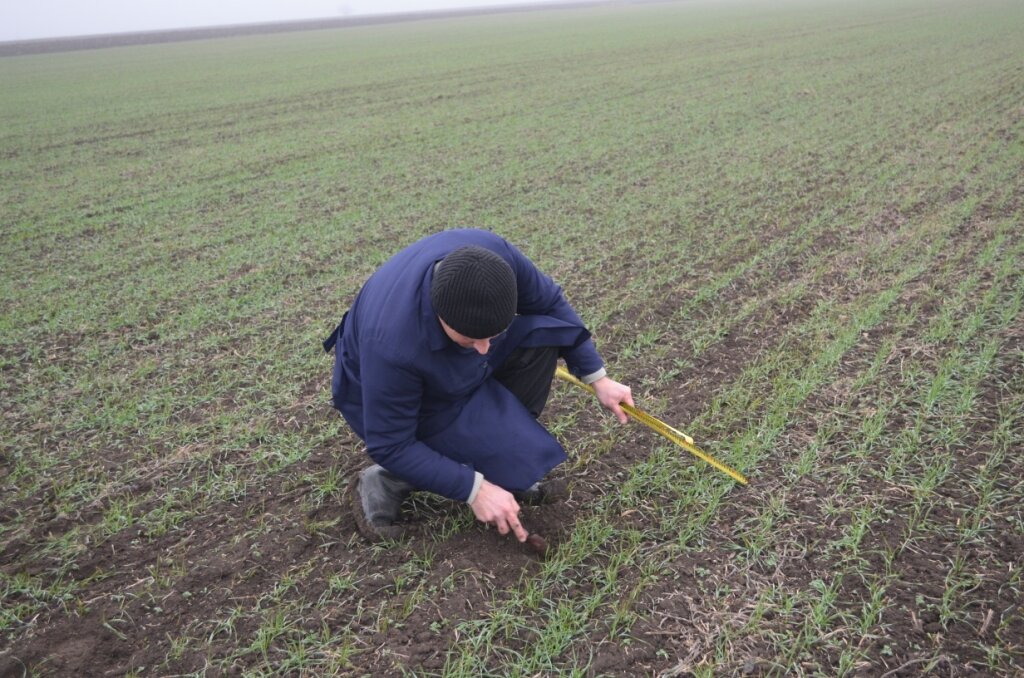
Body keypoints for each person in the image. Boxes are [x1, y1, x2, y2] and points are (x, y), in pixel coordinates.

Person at [323, 229, 633, 542]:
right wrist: (475, 490)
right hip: (372, 385)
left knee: (540, 337)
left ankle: (491, 457)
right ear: (441, 316)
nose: (485, 348)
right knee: (430, 430)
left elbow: (549, 303)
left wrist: (598, 378)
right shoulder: (392, 346)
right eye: (472, 339)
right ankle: (385, 480)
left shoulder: (493, 259)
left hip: (435, 354)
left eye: (492, 335)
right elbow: (391, 442)